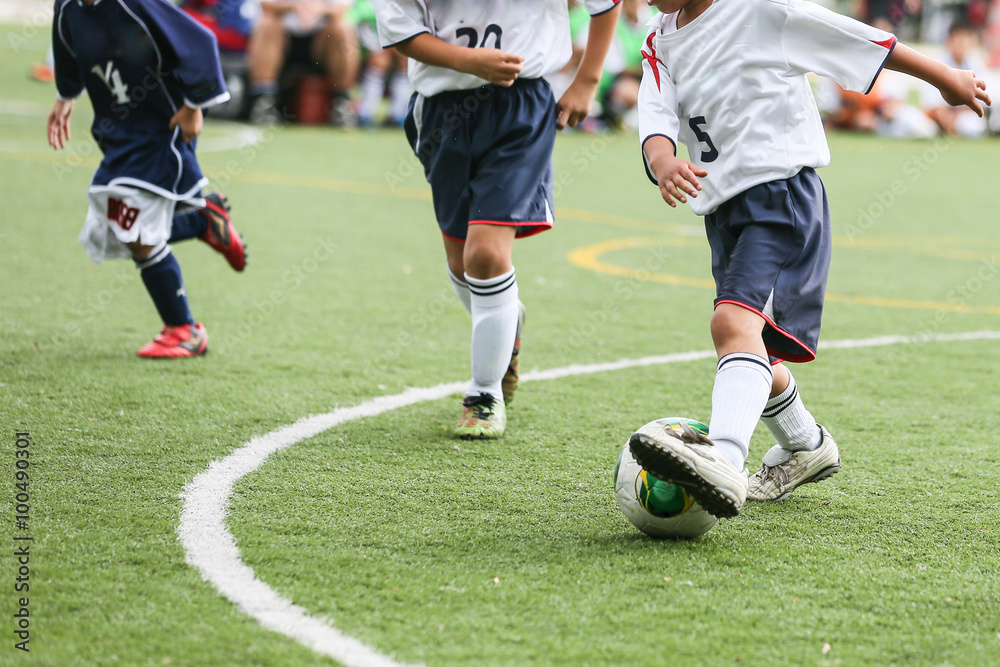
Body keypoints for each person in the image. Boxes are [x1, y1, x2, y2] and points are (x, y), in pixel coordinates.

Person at [629, 0, 990, 518]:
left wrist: (943, 77)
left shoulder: (759, 10)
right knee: (754, 345)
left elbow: (856, 39)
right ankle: (805, 444)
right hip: (724, 209)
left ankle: (724, 463)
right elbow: (656, 115)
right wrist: (662, 160)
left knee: (732, 325)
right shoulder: (658, 40)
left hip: (781, 195)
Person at [374, 0, 623, 439]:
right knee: (461, 264)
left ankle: (484, 394)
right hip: (440, 111)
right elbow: (401, 29)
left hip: (519, 107)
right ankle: (508, 322)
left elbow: (606, 4)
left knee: (485, 255)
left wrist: (586, 80)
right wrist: (468, 61)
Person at [49, 0, 247, 359]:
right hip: (119, 134)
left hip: (162, 129)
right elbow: (67, 45)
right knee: (109, 234)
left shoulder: (136, 3)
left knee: (133, 232)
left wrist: (194, 106)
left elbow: (199, 41)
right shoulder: (67, 6)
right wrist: (66, 94)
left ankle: (184, 330)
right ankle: (202, 221)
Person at [246, 0, 359, 126]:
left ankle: (341, 101)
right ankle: (264, 99)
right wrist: (294, 7)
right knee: (267, 25)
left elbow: (340, 10)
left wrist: (318, 10)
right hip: (283, 39)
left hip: (320, 42)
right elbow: (265, 5)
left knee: (342, 29)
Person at [922, 21, 991, 136]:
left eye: (965, 39)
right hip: (939, 116)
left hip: (966, 115)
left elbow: (983, 102)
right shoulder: (937, 63)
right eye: (958, 39)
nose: (962, 44)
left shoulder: (977, 64)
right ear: (949, 41)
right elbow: (931, 103)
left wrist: (957, 117)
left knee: (972, 126)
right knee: (923, 128)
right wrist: (946, 120)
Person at [351, 0, 410, 127]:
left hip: (399, 41)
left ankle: (399, 115)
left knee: (405, 59)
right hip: (368, 44)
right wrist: (376, 47)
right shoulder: (364, 3)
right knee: (379, 62)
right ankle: (365, 114)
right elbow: (355, 22)